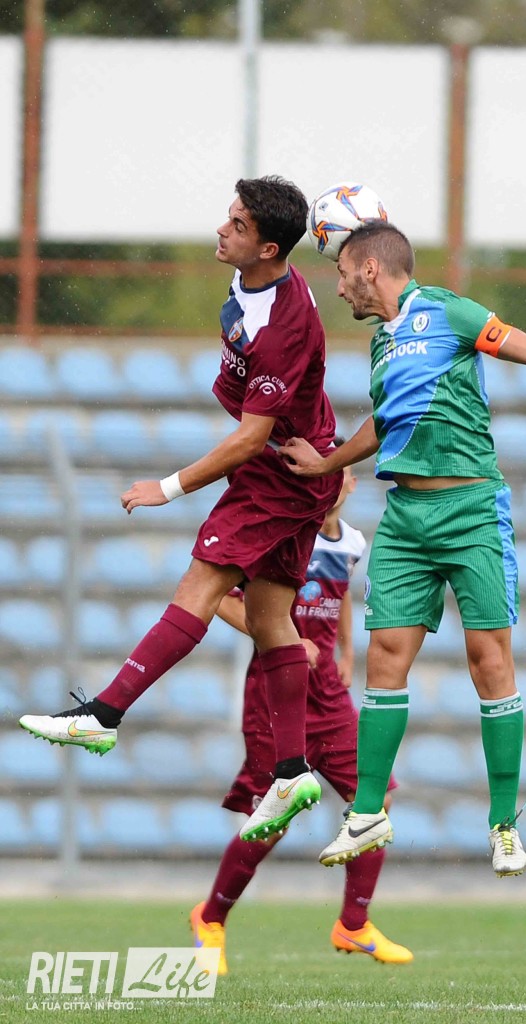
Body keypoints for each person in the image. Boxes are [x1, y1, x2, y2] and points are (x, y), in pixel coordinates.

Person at [281, 220, 526, 878]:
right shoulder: (380, 342)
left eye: (341, 273)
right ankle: (366, 812)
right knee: (385, 657)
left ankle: (504, 823)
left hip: (471, 511)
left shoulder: (448, 311)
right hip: (405, 516)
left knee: (489, 662)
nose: (337, 288)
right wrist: (326, 464)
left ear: (369, 268)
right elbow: (385, 422)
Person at [19, 175, 344, 842]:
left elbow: (250, 437)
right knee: (270, 618)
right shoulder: (252, 282)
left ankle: (104, 716)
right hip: (291, 468)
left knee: (198, 586)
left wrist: (164, 488)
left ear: (270, 248)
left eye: (238, 225)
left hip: (278, 474)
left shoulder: (282, 323)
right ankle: (291, 771)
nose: (222, 229)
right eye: (228, 216)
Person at [190, 459, 412, 973]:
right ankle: (211, 918)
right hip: (275, 692)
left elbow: (342, 595)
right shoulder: (282, 537)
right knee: (273, 819)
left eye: (335, 473)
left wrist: (347, 653)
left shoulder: (351, 542)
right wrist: (282, 639)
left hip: (328, 695)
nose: (326, 482)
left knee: (374, 800)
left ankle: (353, 923)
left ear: (348, 482)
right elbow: (222, 598)